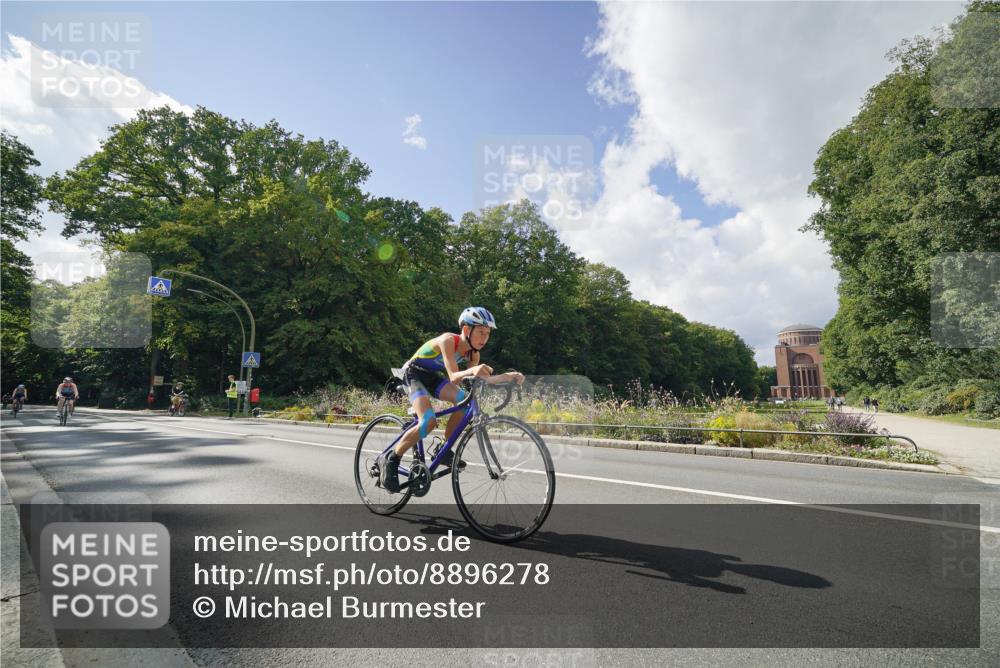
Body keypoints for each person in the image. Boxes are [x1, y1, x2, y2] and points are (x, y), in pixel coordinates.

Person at [378, 307, 525, 493]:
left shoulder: (473, 354)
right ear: (466, 330)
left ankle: (443, 448)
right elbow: (454, 376)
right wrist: (473, 370)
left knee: (464, 401)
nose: (484, 338)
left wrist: (507, 376)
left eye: (487, 334)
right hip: (413, 373)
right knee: (429, 421)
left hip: (432, 376)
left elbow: (478, 379)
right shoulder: (448, 340)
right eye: (481, 332)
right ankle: (391, 458)